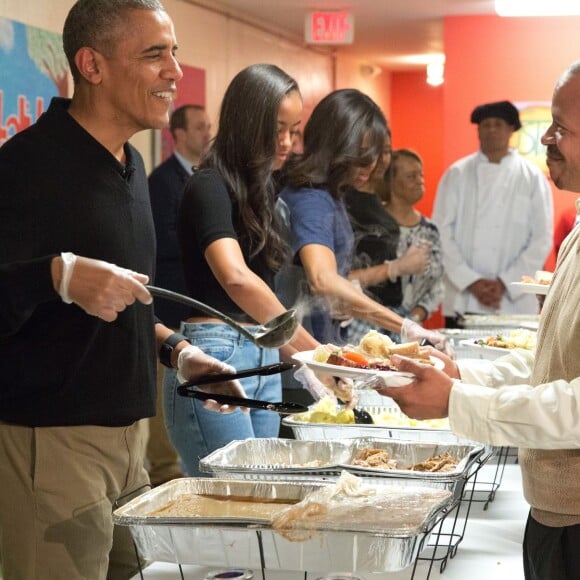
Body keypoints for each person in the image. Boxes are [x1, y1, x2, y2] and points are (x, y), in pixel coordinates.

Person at [0, 1, 246, 578]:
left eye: (175, 53)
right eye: (154, 54)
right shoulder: (25, 167)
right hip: (53, 444)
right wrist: (56, 277)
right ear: (92, 64)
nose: (175, 72)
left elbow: (130, 304)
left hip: (132, 437)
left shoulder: (131, 164)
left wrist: (180, 354)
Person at [376, 61, 580, 580]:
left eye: (562, 127)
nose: (548, 139)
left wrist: (457, 399)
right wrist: (464, 372)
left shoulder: (531, 182)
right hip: (554, 511)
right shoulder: (572, 224)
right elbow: (551, 365)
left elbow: (575, 404)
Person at [165, 64, 336, 476]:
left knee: (259, 494)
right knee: (232, 496)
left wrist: (317, 360)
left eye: (294, 130)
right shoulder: (208, 184)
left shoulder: (263, 196)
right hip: (216, 351)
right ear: (246, 122)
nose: (286, 142)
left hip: (262, 351)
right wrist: (317, 356)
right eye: (276, 128)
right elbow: (236, 278)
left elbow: (269, 310)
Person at [280, 89, 445, 348]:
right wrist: (403, 325)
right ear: (336, 144)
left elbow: (330, 283)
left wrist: (344, 297)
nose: (371, 165)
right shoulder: (312, 198)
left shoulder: (332, 194)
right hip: (302, 350)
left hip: (322, 340)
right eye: (364, 154)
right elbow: (322, 278)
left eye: (376, 154)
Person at [432, 100, 553, 327]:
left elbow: (541, 238)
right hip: (464, 296)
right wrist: (473, 281)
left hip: (513, 301)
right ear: (478, 130)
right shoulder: (457, 173)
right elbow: (441, 231)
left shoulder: (532, 177)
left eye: (498, 124)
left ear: (511, 130)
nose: (491, 130)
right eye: (485, 125)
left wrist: (505, 283)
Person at [146, 105, 211, 486]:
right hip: (167, 314)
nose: (207, 134)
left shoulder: (205, 179)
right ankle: (166, 475)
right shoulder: (162, 182)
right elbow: (164, 245)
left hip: (195, 313)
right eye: (200, 128)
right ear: (179, 134)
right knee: (164, 399)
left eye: (209, 127)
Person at [345, 132, 430, 343]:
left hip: (387, 319)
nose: (381, 159)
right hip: (359, 322)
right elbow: (341, 279)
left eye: (385, 152)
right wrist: (396, 268)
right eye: (374, 151)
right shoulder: (345, 203)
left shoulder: (374, 201)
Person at [382, 148, 444, 323]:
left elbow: (437, 286)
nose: (420, 182)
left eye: (421, 175)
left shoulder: (430, 231)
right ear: (391, 181)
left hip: (411, 330)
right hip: (369, 329)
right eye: (411, 177)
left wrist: (413, 318)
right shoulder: (374, 226)